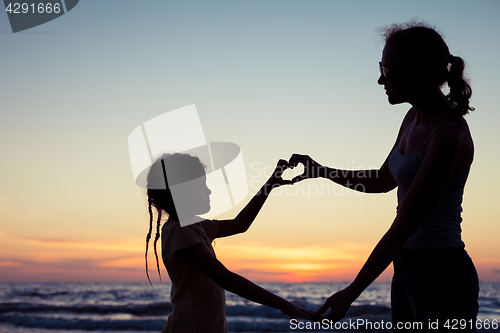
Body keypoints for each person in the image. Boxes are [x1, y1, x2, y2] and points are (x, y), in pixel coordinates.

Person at [288, 22, 479, 332]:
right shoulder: (413, 118)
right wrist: (321, 171)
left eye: (388, 71)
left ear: (422, 76)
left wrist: (351, 292)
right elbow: (381, 180)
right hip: (406, 266)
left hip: (442, 275)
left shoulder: (448, 137)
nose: (380, 79)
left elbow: (403, 226)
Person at [144, 153, 313, 333]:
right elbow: (225, 278)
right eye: (201, 186)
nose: (208, 191)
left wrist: (270, 184)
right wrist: (283, 304)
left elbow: (240, 224)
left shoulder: (196, 225)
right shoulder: (179, 231)